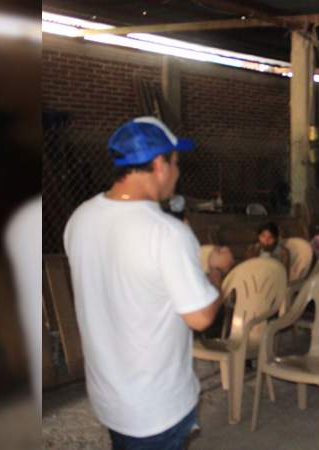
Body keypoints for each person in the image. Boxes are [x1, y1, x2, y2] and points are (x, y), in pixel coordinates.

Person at [63, 117, 221, 448]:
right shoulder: (168, 233)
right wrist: (217, 273)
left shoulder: (80, 218)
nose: (178, 173)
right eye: (176, 163)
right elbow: (201, 317)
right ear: (159, 163)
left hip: (109, 396)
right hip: (157, 408)